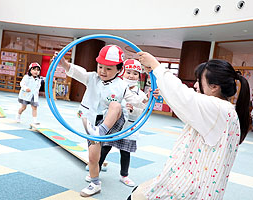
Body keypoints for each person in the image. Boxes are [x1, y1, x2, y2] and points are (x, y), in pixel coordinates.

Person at [128, 52, 250, 200]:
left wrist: (156, 66)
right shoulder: (225, 110)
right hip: (194, 184)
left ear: (214, 87)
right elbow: (186, 104)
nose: (196, 85)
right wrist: (160, 82)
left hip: (188, 189)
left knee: (137, 196)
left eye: (199, 81)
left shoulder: (217, 108)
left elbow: (185, 98)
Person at [56, 45, 145, 197]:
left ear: (119, 70)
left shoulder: (121, 85)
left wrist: (149, 99)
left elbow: (136, 101)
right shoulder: (92, 78)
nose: (103, 71)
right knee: (92, 156)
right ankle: (95, 183)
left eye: (109, 69)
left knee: (115, 105)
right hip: (91, 120)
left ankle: (101, 131)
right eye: (100, 66)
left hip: (113, 121)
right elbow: (78, 72)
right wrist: (64, 63)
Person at [84, 59, 148, 187]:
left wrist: (133, 109)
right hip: (113, 124)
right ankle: (95, 170)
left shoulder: (140, 94)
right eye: (128, 72)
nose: (131, 75)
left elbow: (142, 110)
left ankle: (124, 175)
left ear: (139, 76)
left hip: (128, 127)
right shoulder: (116, 86)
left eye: (135, 73)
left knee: (125, 152)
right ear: (122, 72)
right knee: (105, 147)